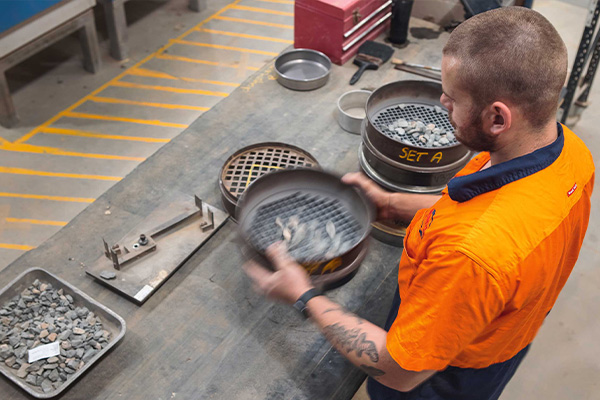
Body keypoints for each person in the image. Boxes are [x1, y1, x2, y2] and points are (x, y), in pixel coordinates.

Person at [243, 7, 595, 400]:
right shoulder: (568, 154)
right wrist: (392, 202)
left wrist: (303, 296)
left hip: (442, 380)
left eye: (452, 99)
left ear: (498, 118)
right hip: (501, 329)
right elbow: (485, 208)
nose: (442, 102)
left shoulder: (470, 258)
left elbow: (397, 371)